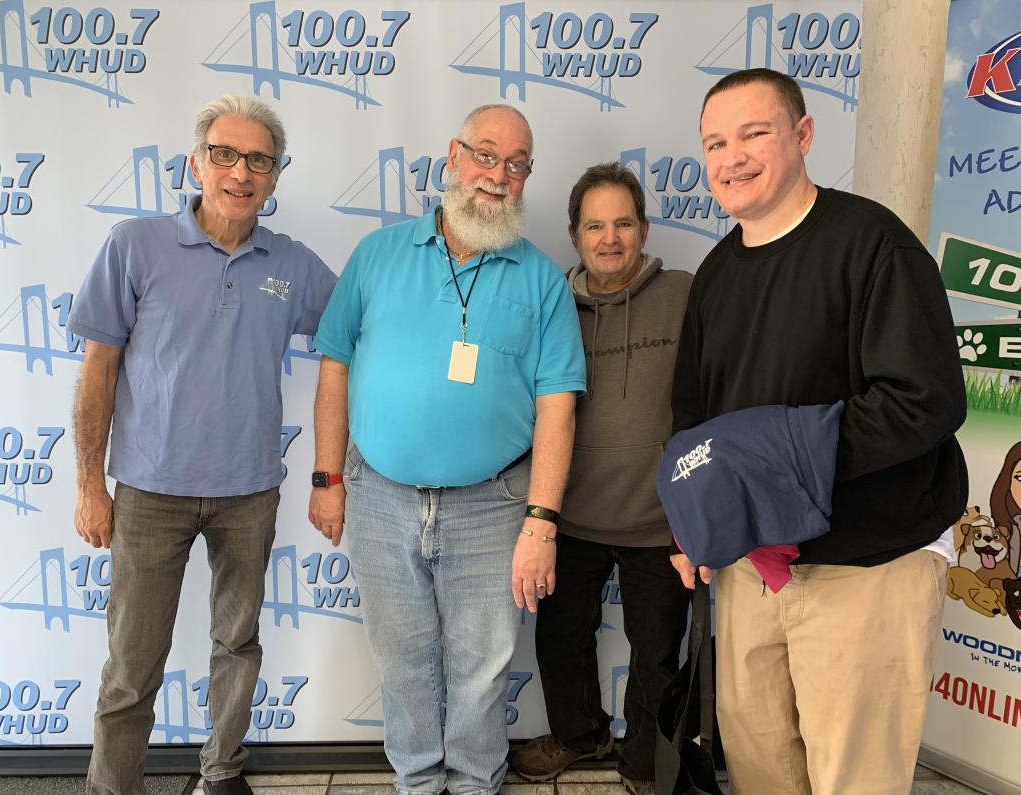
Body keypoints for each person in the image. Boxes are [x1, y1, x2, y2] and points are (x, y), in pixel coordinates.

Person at [670, 68, 968, 795]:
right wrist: (692, 525)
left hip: (865, 567)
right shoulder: (713, 273)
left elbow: (923, 401)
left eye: (754, 134)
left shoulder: (872, 245)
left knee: (854, 780)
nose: (731, 157)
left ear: (803, 135)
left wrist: (775, 463)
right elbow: (693, 417)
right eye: (715, 142)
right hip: (751, 571)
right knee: (763, 771)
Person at [308, 104, 586, 795]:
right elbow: (334, 365)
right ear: (452, 158)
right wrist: (326, 475)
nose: (498, 175)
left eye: (517, 164)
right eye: (486, 155)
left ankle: (472, 781)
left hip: (493, 506)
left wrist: (542, 520)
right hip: (378, 497)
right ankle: (416, 780)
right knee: (402, 662)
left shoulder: (542, 279)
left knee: (483, 667)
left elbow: (558, 406)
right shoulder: (377, 255)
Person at [68, 95, 337, 795]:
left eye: (258, 160)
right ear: (196, 161)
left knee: (236, 646)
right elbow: (98, 370)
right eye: (224, 153)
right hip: (149, 491)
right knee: (132, 661)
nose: (240, 171)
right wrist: (91, 485)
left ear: (275, 177)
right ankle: (111, 786)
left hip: (249, 491)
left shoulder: (294, 265)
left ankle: (220, 774)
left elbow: (361, 332)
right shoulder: (135, 245)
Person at [509, 163, 692, 795]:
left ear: (643, 228)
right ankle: (579, 734)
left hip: (662, 520)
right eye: (594, 226)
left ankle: (644, 761)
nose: (609, 238)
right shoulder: (547, 303)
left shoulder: (688, 294)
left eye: (622, 223)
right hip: (570, 515)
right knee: (560, 640)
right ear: (573, 233)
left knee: (658, 656)